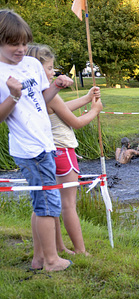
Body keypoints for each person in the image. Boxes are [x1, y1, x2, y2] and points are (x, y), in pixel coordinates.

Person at [0, 9, 74, 271]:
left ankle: (39, 258)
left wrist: (57, 87)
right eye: (13, 44)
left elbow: (41, 102)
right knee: (46, 204)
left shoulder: (31, 64)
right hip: (28, 148)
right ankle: (52, 261)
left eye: (24, 42)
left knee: (40, 201)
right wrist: (13, 95)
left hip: (45, 143)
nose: (21, 49)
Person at [26, 43, 103, 256]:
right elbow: (76, 123)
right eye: (49, 68)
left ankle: (57, 248)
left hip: (47, 153)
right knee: (68, 204)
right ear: (37, 69)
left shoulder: (37, 93)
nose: (53, 72)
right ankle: (81, 250)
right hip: (64, 153)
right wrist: (94, 110)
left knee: (47, 204)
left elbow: (60, 109)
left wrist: (87, 98)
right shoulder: (47, 92)